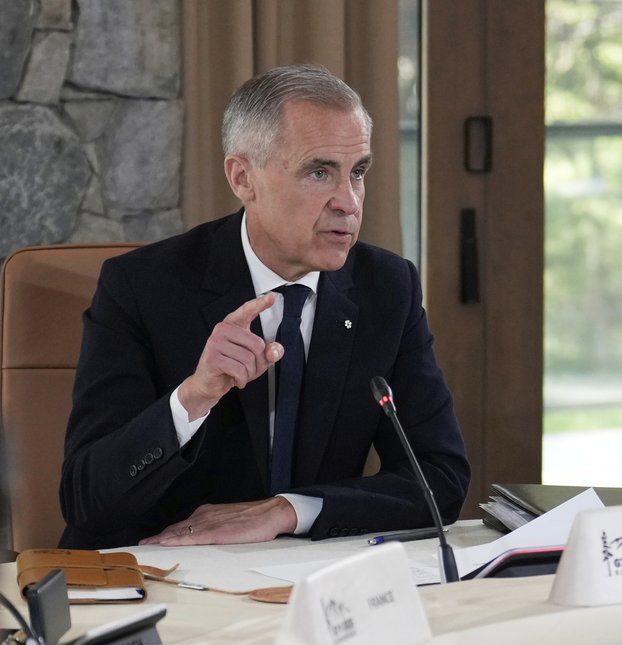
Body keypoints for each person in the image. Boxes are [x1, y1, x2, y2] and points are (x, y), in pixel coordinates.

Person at [60, 64, 471, 548]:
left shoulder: (387, 287)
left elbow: (440, 478)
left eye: (358, 172)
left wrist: (288, 510)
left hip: (304, 575)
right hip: (163, 568)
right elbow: (85, 498)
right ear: (243, 178)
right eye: (319, 172)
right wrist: (193, 398)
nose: (349, 202)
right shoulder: (141, 287)